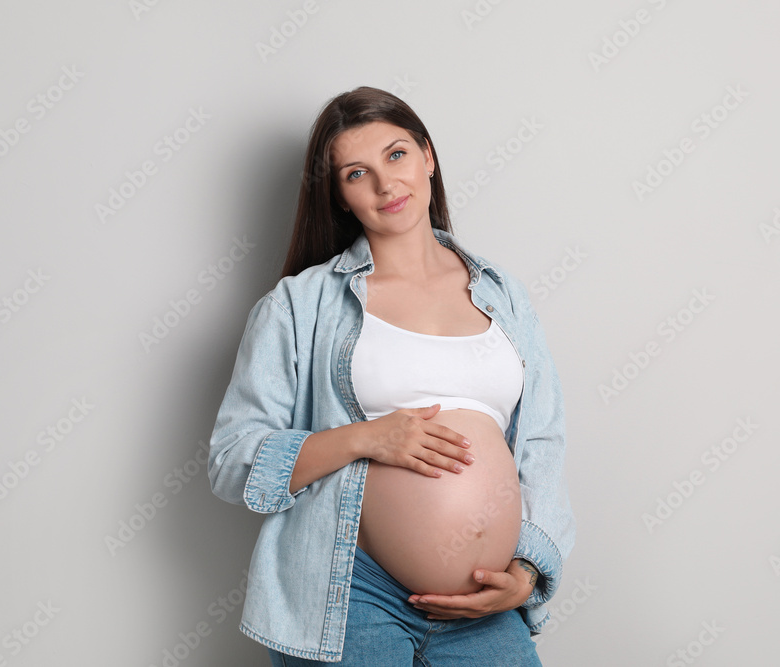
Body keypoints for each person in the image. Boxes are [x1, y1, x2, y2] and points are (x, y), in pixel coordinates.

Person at [208, 86, 575, 665]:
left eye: (397, 155)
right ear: (340, 196)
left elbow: (543, 445)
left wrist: (527, 572)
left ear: (428, 155)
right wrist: (367, 438)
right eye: (358, 173)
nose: (385, 185)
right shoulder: (300, 306)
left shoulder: (505, 298)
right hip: (349, 592)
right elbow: (233, 459)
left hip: (482, 606)